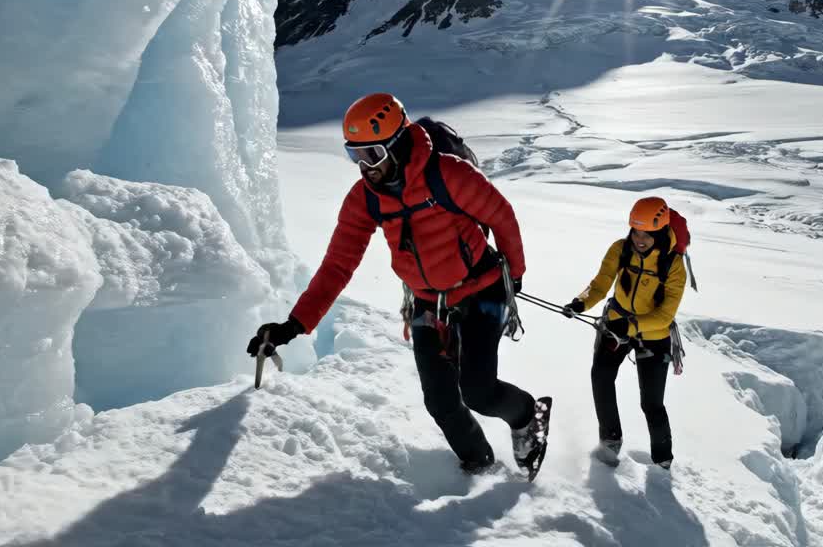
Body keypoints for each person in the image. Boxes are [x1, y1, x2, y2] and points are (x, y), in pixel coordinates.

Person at [247, 93, 549, 475]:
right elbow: (337, 265)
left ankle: (528, 415)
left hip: (482, 291)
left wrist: (515, 275)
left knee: (477, 391)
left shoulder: (450, 174)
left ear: (397, 143)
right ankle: (480, 464)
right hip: (427, 304)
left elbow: (502, 218)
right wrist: (293, 325)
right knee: (440, 401)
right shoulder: (364, 199)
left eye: (371, 155)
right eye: (354, 156)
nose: (364, 167)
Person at [563, 196, 687, 469]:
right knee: (601, 375)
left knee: (651, 403)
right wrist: (580, 302)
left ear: (661, 232)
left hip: (653, 336)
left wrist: (630, 327)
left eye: (647, 234)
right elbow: (601, 283)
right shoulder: (620, 250)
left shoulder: (673, 265)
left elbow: (665, 315)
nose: (639, 239)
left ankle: (662, 460)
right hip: (616, 323)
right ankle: (610, 440)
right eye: (635, 232)